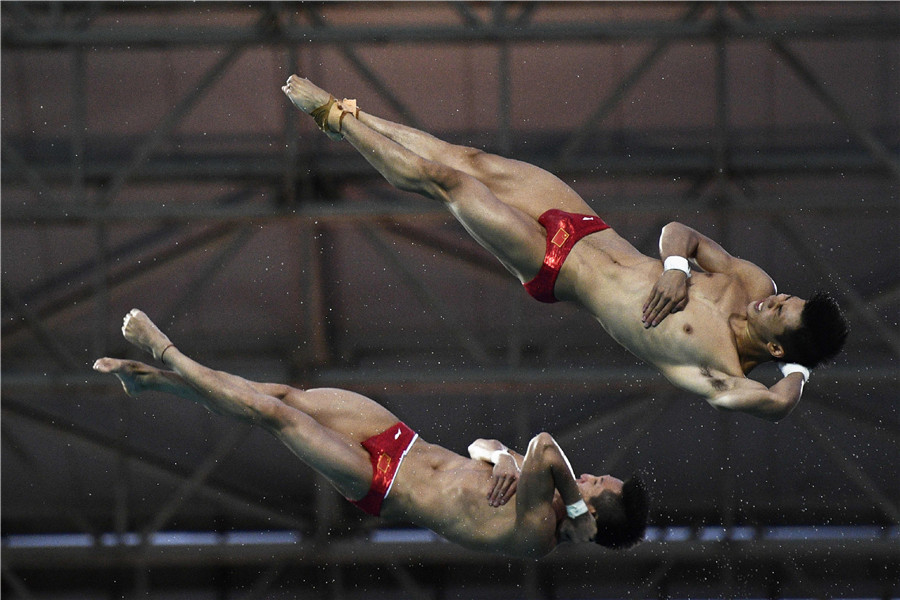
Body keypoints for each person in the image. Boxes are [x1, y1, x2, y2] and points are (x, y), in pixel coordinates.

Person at [281, 75, 849, 423]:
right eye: (786, 298)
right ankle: (348, 114)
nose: (774, 301)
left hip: (553, 266)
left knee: (449, 185)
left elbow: (776, 408)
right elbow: (683, 232)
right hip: (584, 223)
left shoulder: (719, 369)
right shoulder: (753, 283)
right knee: (466, 158)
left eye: (781, 314)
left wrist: (800, 369)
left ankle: (329, 115)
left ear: (777, 351)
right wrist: (676, 266)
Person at [94, 309, 649, 558]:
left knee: (276, 416)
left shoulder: (538, 532)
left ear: (592, 515)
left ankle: (162, 351)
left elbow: (548, 446)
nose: (588, 475)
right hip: (401, 439)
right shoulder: (543, 489)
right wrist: (501, 454)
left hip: (380, 484)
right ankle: (157, 384)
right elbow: (483, 448)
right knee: (283, 394)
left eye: (597, 484)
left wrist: (570, 508)